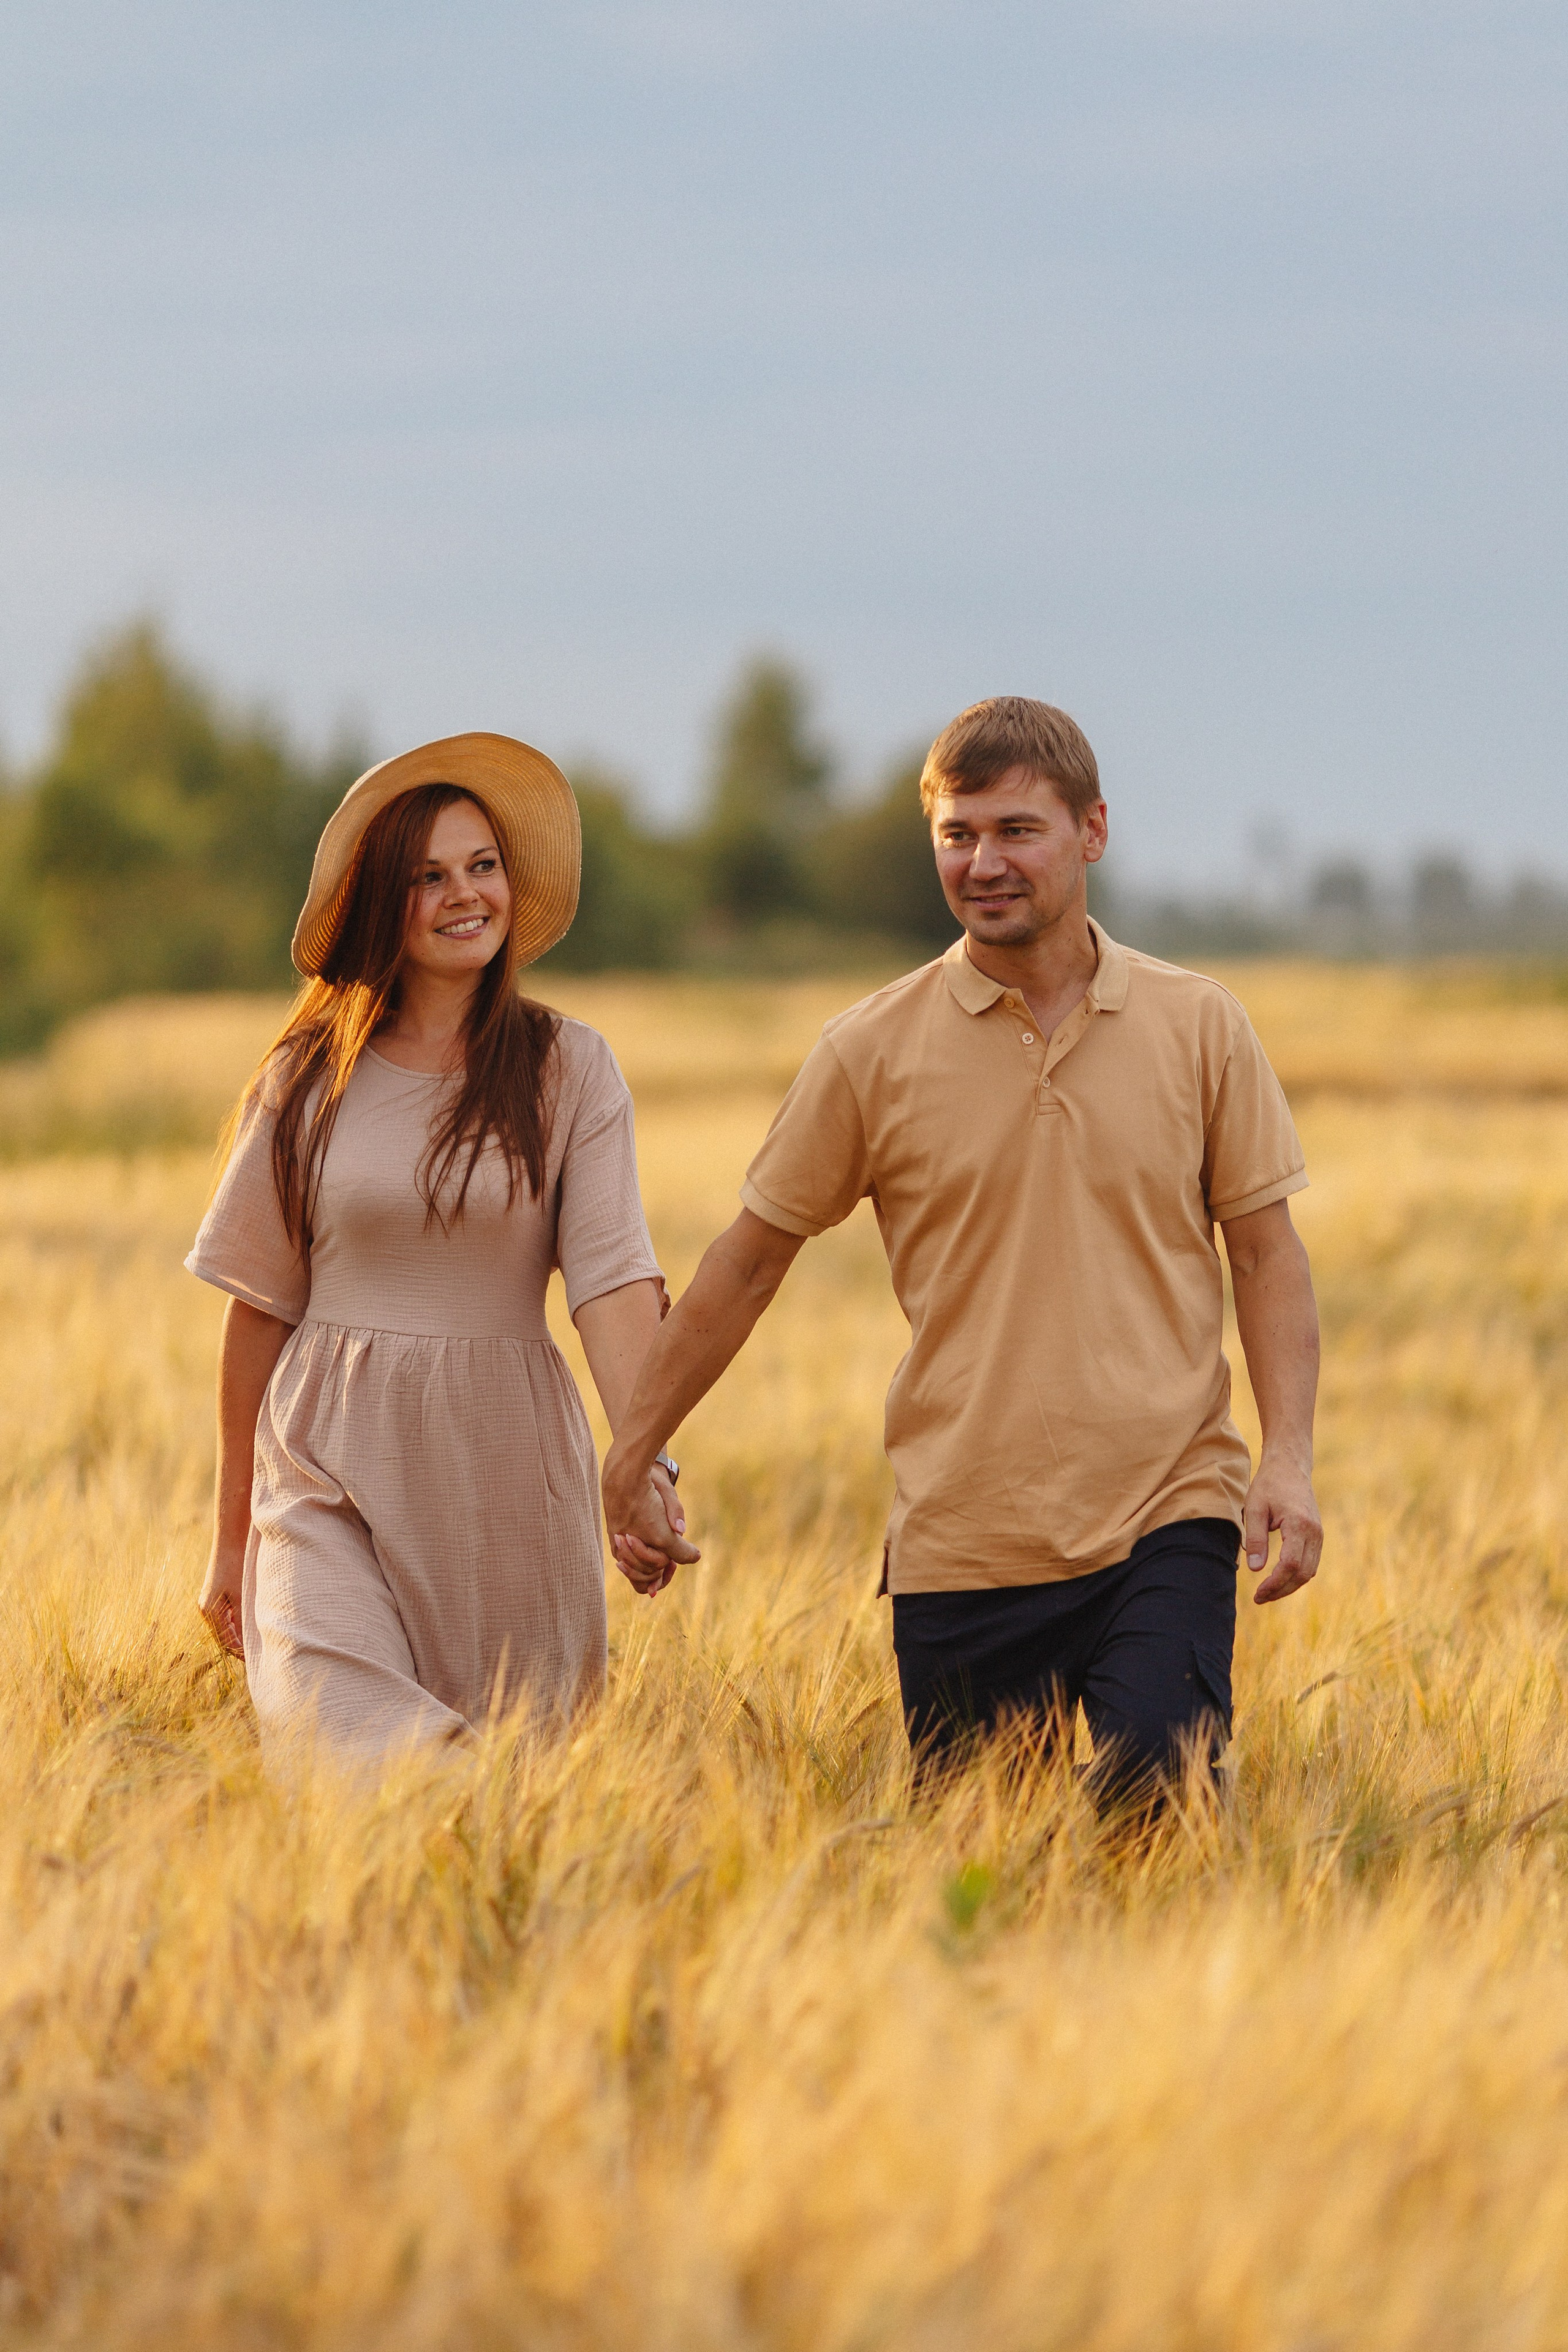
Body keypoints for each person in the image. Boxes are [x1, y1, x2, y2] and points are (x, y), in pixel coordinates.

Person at [602, 696, 1321, 1804]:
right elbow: (748, 1263)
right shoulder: (869, 1051)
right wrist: (633, 1450)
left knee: (1158, 1793)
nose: (983, 861)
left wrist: (1287, 1458)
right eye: (957, 834)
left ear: (1092, 831)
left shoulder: (1200, 1026)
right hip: (963, 1538)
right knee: (988, 1877)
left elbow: (1268, 1258)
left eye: (1016, 831)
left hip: (1169, 1508)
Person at [188, 733, 685, 1761]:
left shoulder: (571, 1069)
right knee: (344, 1743)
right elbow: (259, 1308)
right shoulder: (307, 1077)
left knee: (511, 1791)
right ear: (385, 902)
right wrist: (230, 1534)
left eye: (482, 866)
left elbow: (612, 1286)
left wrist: (644, 1462)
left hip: (506, 1468)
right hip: (323, 1459)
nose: (465, 895)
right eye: (428, 876)